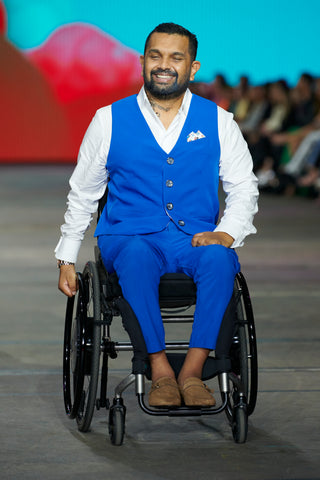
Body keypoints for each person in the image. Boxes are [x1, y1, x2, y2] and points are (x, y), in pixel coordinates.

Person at [55, 23, 258, 408]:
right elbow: (83, 193)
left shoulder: (217, 120)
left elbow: (244, 187)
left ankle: (193, 372)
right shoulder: (109, 120)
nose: (164, 65)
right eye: (156, 55)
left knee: (220, 258)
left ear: (192, 68)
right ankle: (161, 370)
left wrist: (228, 232)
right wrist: (66, 257)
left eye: (175, 57)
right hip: (128, 235)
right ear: (143, 61)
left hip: (194, 237)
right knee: (134, 257)